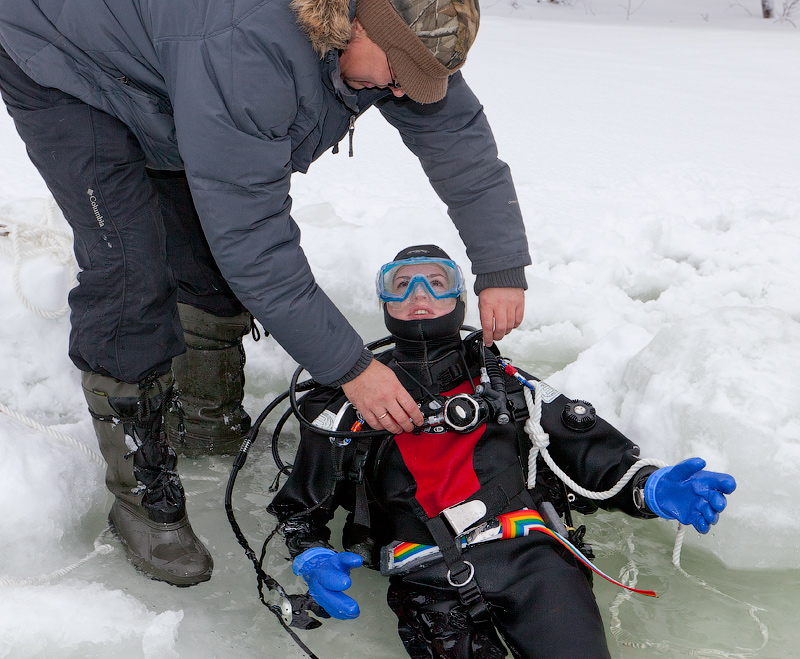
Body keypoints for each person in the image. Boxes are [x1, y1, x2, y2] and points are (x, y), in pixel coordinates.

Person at [0, 0, 529, 586]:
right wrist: (350, 367)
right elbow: (253, 239)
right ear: (359, 24)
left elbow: (458, 138)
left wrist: (501, 266)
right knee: (131, 268)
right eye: (398, 71)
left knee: (205, 247)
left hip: (170, 57)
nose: (400, 91)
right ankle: (141, 497)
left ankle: (203, 419)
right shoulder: (248, 49)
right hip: (61, 59)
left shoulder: (408, 31)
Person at [267, 245, 736, 659]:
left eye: (436, 282)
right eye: (402, 284)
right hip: (425, 585)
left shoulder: (509, 384)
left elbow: (592, 458)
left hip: (535, 568)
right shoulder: (346, 404)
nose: (419, 296)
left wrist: (650, 486)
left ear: (461, 296)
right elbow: (302, 507)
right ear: (383, 298)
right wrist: (312, 554)